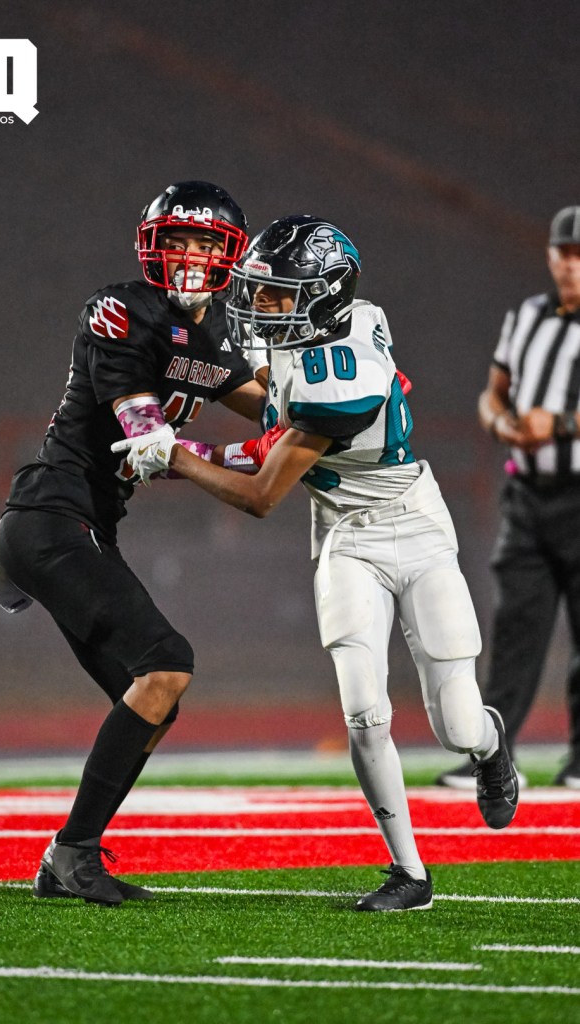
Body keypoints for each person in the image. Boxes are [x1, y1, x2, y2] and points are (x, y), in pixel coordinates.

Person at [117, 214, 520, 912]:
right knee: (362, 711)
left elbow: (262, 491)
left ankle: (489, 744)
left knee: (452, 723)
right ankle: (409, 874)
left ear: (323, 296)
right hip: (345, 534)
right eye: (262, 291)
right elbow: (269, 418)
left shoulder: (343, 381)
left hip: (413, 528)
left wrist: (178, 457)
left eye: (277, 296)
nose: (258, 307)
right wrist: (179, 399)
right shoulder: (340, 324)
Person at [0, 181, 269, 906]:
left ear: (229, 253)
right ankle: (73, 854)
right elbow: (137, 421)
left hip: (87, 524)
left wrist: (333, 410)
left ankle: (68, 858)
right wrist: (167, 440)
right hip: (51, 514)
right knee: (166, 662)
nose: (191, 254)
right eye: (179, 239)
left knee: (154, 697)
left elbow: (270, 414)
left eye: (207, 242)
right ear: (153, 246)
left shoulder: (211, 341)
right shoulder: (120, 308)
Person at [437, 205, 580, 791]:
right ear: (548, 256)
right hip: (527, 494)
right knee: (515, 626)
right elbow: (492, 394)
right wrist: (500, 425)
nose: (571, 265)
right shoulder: (525, 316)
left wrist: (564, 425)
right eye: (563, 253)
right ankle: (492, 757)